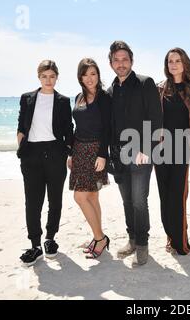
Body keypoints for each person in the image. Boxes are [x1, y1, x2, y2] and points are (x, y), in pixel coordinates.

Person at [107, 41, 163, 266]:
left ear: (131, 61)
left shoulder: (144, 83)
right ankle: (131, 239)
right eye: (116, 60)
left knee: (140, 201)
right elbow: (109, 126)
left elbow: (156, 119)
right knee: (127, 201)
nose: (121, 64)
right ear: (111, 63)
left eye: (125, 59)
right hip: (119, 155)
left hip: (141, 153)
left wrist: (146, 150)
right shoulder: (110, 91)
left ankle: (142, 244)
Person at [17, 60, 73, 267]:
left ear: (56, 77)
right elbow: (21, 124)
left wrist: (69, 152)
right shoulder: (27, 98)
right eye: (44, 76)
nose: (48, 80)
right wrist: (22, 148)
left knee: (55, 199)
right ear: (38, 77)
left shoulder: (63, 101)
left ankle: (50, 239)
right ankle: (35, 245)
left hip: (55, 153)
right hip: (31, 154)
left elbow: (69, 129)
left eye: (52, 76)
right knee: (32, 201)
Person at [155, 48, 190, 255]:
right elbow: (149, 116)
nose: (173, 64)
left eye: (177, 60)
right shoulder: (160, 89)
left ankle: (181, 241)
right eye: (170, 61)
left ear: (185, 63)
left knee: (178, 195)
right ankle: (170, 236)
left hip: (181, 147)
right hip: (160, 148)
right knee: (164, 196)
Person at [68, 58, 111, 259]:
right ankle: (98, 237)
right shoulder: (78, 96)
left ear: (98, 75)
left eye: (93, 73)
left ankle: (100, 238)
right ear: (80, 77)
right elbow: (77, 127)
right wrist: (71, 153)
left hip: (95, 151)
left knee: (80, 196)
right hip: (79, 150)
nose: (89, 78)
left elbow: (108, 128)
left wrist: (103, 154)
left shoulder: (103, 98)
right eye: (85, 74)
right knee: (92, 196)